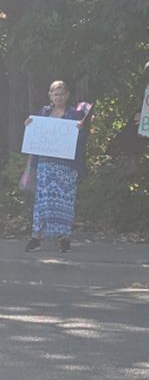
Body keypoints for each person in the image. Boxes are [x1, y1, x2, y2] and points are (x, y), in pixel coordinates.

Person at [24, 80, 89, 253]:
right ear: (50, 96)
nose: (58, 97)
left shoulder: (74, 114)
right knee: (42, 202)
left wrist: (81, 128)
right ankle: (36, 238)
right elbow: (35, 135)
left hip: (66, 166)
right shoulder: (43, 113)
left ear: (67, 95)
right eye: (55, 93)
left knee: (65, 202)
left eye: (61, 93)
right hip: (45, 165)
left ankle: (64, 240)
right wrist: (29, 125)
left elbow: (80, 141)